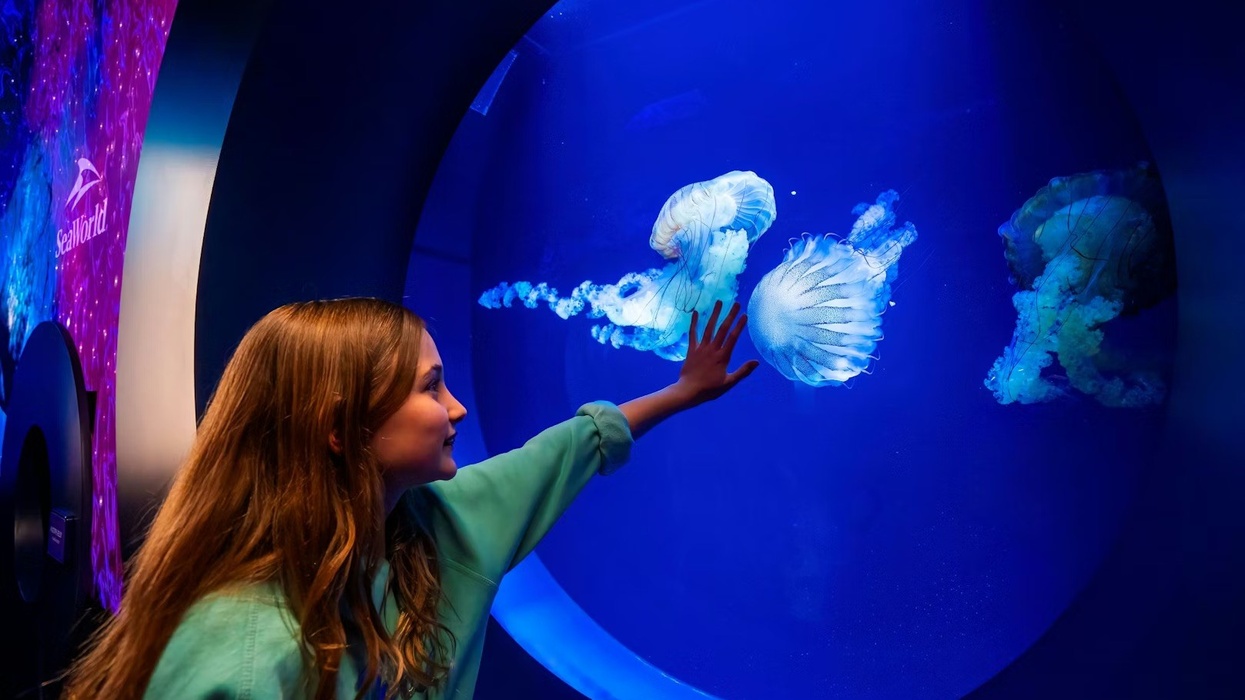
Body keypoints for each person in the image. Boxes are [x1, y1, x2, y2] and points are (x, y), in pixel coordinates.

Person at [64, 296, 758, 699]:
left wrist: (680, 393)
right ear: (340, 427)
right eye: (431, 388)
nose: (457, 410)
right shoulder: (244, 649)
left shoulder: (435, 526)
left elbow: (562, 451)